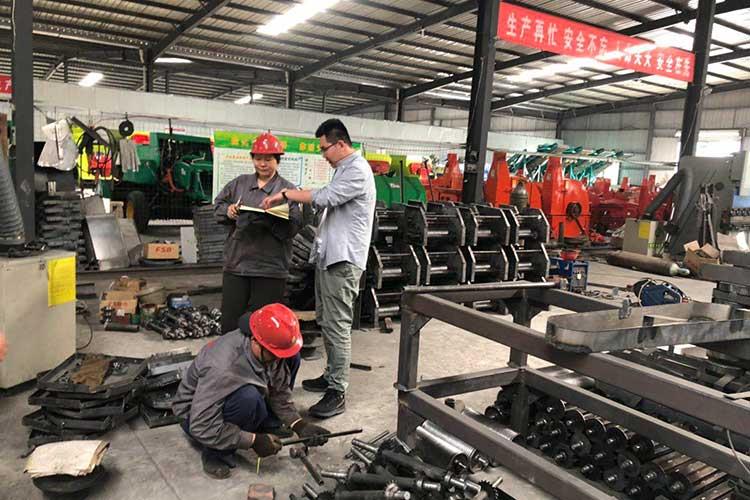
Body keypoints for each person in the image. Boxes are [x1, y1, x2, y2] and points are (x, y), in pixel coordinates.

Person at [262, 119, 376, 418]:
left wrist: (287, 194)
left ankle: (337, 391)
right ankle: (330, 375)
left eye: (325, 148)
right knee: (326, 320)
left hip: (344, 260)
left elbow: (327, 197)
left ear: (341, 144)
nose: (323, 154)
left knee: (337, 324)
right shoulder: (343, 170)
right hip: (330, 257)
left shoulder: (357, 170)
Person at [172, 303, 330, 479]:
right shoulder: (223, 367)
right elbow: (201, 425)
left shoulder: (268, 348)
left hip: (226, 396)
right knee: (248, 397)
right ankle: (215, 453)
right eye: (273, 354)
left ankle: (267, 423)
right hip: (196, 418)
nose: (277, 360)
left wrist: (298, 424)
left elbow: (278, 388)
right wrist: (253, 441)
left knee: (292, 357)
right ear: (255, 341)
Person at [214, 132, 302, 333]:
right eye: (258, 159)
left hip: (270, 269)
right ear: (252, 159)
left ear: (277, 161)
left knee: (264, 328)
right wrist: (228, 211)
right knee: (230, 324)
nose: (263, 164)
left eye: (268, 159)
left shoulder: (287, 189)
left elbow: (295, 225)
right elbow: (218, 206)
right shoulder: (239, 184)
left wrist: (272, 220)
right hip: (237, 265)